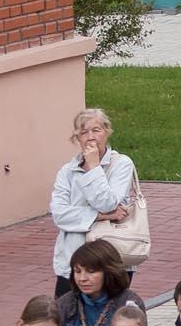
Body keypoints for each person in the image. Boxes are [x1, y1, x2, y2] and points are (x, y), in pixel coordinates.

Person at [47, 108, 139, 292]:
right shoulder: (67, 171)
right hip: (73, 262)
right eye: (83, 132)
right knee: (66, 316)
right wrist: (100, 216)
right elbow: (59, 214)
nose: (90, 137)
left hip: (111, 260)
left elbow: (108, 203)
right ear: (77, 138)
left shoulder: (121, 164)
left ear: (107, 132)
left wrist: (94, 167)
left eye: (96, 130)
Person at [50, 238, 141, 326]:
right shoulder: (65, 303)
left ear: (108, 271)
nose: (82, 278)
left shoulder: (128, 303)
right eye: (77, 271)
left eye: (91, 272)